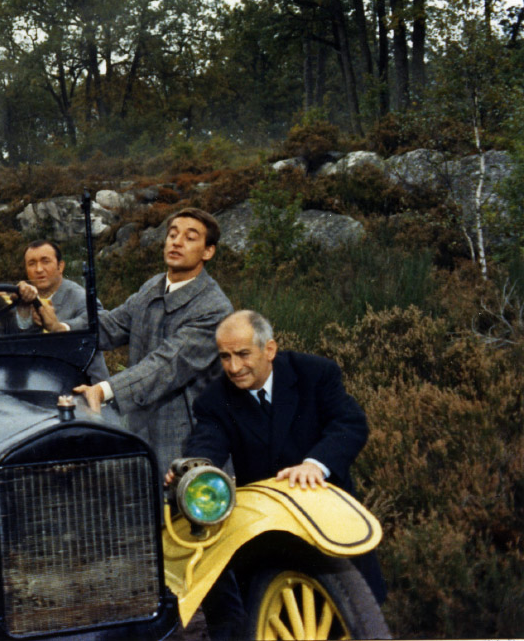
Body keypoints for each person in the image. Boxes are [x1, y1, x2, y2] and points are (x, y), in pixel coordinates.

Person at [167, 310, 384, 636]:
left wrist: (315, 464)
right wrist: (195, 472)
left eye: (242, 354)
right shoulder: (215, 398)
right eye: (224, 356)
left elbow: (349, 424)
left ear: (269, 349)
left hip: (327, 524)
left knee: (358, 619)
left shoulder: (315, 373)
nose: (233, 367)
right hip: (267, 536)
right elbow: (206, 443)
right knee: (258, 617)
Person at [72, 207, 232, 475]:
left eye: (190, 237)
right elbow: (112, 325)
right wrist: (59, 326)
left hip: (186, 440)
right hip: (140, 431)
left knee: (182, 513)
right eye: (172, 234)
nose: (176, 242)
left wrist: (104, 390)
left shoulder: (214, 308)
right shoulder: (153, 286)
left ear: (208, 251)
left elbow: (166, 365)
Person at [13, 239, 88, 333]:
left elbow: (96, 321)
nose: (39, 269)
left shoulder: (80, 296)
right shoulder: (18, 297)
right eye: (32, 264)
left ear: (60, 267)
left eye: (46, 261)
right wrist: (23, 309)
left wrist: (59, 327)